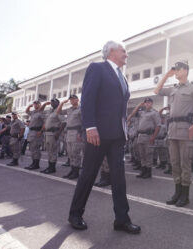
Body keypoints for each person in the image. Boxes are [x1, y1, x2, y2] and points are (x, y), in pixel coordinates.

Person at [68, 41, 140, 234]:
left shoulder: (122, 78)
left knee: (119, 178)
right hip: (97, 135)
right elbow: (88, 98)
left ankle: (122, 219)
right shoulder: (97, 68)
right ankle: (75, 214)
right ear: (111, 52)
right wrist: (90, 126)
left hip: (117, 136)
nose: (126, 54)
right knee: (89, 174)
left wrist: (124, 132)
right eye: (123, 50)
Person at [154, 61, 193, 207]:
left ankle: (185, 195)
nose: (176, 72)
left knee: (185, 164)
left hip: (186, 131)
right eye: (175, 70)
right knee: (175, 164)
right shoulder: (173, 89)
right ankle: (177, 192)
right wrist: (167, 75)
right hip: (172, 131)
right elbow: (156, 90)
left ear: (185, 71)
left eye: (177, 70)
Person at [127, 97, 161, 179]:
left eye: (149, 102)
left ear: (152, 103)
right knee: (142, 155)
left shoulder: (154, 113)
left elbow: (158, 126)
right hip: (140, 136)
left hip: (148, 136)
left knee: (148, 155)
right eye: (146, 102)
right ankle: (143, 171)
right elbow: (131, 115)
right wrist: (138, 106)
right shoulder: (142, 113)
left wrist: (153, 137)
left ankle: (148, 173)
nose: (147, 104)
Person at [57, 95, 83, 179]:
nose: (71, 101)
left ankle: (76, 172)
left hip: (76, 132)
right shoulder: (69, 109)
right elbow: (58, 112)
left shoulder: (81, 109)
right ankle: (72, 170)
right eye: (70, 99)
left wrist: (81, 133)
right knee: (70, 153)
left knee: (76, 153)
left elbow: (84, 122)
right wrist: (62, 103)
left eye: (73, 99)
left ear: (77, 100)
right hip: (68, 132)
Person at [40, 99, 65, 174]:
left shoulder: (58, 111)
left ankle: (52, 167)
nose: (52, 103)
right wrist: (44, 104)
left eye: (54, 101)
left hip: (54, 133)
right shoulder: (49, 111)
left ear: (58, 103)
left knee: (53, 151)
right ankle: (49, 166)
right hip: (47, 133)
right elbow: (40, 112)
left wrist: (59, 133)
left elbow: (64, 122)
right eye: (51, 102)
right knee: (49, 151)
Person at [24, 101, 45, 170]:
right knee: (32, 148)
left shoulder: (41, 112)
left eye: (37, 104)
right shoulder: (33, 112)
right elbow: (26, 111)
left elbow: (45, 122)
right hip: (31, 132)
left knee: (36, 149)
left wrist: (41, 131)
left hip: (37, 132)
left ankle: (36, 164)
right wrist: (29, 106)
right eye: (34, 104)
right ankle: (33, 163)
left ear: (40, 105)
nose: (35, 105)